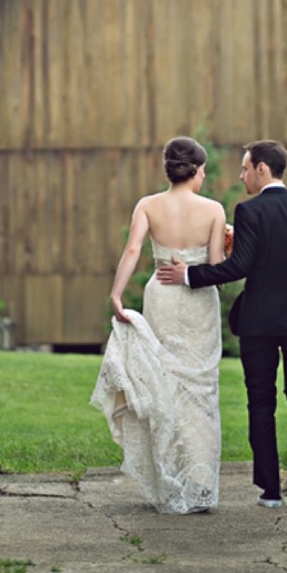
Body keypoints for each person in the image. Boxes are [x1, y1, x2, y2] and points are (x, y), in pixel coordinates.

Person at [157, 140, 287, 508]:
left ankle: (271, 491)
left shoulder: (249, 211)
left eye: (244, 169)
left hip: (258, 322)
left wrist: (190, 275)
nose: (241, 176)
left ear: (262, 168)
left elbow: (239, 267)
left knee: (261, 402)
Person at [90, 136, 226, 514]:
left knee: (165, 384)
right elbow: (214, 270)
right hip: (197, 300)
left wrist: (116, 295)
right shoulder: (214, 210)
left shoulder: (148, 205)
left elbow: (133, 250)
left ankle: (170, 482)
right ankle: (199, 485)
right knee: (200, 392)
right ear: (198, 170)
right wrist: (223, 253)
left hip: (161, 297)